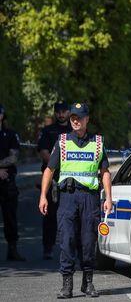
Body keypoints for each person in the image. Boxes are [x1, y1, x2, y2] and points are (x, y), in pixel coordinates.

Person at [38, 103, 113, 299]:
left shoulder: (97, 142)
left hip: (90, 198)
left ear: (87, 119)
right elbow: (49, 170)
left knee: (88, 242)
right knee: (67, 240)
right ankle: (67, 284)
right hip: (68, 198)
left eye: (79, 117)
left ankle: (88, 283)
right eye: (73, 117)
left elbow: (105, 172)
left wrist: (108, 198)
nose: (75, 121)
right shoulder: (62, 142)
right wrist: (43, 195)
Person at [37, 101, 72, 259]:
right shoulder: (48, 131)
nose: (61, 114)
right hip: (51, 176)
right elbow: (43, 152)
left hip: (70, 175)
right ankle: (47, 247)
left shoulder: (74, 130)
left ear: (68, 112)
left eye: (64, 111)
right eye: (58, 111)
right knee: (50, 215)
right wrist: (55, 164)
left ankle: (72, 247)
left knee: (71, 213)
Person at [0, 104, 25, 261]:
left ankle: (12, 249)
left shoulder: (9, 134)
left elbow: (14, 157)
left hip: (7, 181)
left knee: (10, 216)